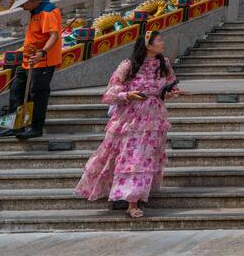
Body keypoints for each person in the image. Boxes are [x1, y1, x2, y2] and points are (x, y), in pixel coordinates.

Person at [74, 30, 180, 218]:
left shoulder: (164, 65)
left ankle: (135, 195)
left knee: (145, 157)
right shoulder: (128, 65)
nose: (162, 43)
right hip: (131, 117)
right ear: (148, 45)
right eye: (159, 40)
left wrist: (169, 93)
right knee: (134, 157)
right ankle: (132, 203)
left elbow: (170, 85)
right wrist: (127, 95)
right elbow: (110, 93)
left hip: (154, 117)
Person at [0, 0, 63, 139]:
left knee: (37, 93)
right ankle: (14, 125)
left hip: (43, 60)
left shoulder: (47, 11)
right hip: (28, 59)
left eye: (24, 3)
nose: (23, 7)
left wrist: (42, 52)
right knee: (16, 90)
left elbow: (54, 36)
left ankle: (35, 127)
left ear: (32, 0)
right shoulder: (35, 10)